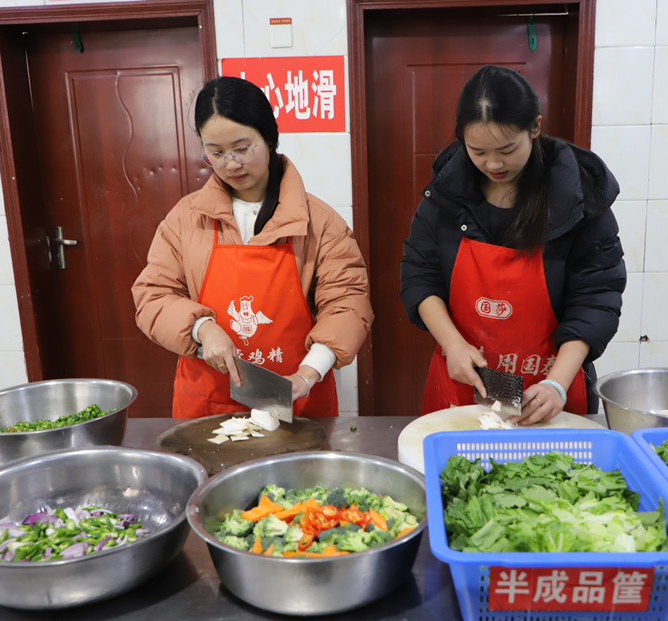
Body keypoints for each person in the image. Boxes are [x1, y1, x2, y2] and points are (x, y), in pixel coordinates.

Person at [132, 76, 372, 418]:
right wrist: (203, 329)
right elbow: (152, 296)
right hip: (207, 404)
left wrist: (308, 374)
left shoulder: (319, 222)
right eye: (216, 153)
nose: (231, 164)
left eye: (243, 148)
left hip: (296, 399)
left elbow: (347, 302)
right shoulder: (186, 219)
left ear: (269, 137)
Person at [400, 65, 625, 425]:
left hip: (547, 393)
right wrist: (452, 345)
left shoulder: (577, 198)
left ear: (534, 127)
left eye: (506, 149)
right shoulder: (446, 195)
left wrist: (557, 385)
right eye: (477, 151)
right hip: (465, 387)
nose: (492, 163)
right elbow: (419, 275)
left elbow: (597, 298)